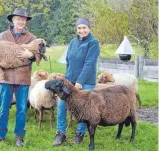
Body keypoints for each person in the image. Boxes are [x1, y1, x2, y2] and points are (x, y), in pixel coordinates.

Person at [0, 8, 37, 147]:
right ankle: (0, 135)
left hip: (23, 78)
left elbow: (38, 54)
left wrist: (31, 56)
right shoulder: (2, 36)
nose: (21, 21)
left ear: (26, 21)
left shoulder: (31, 38)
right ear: (13, 20)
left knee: (22, 109)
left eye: (23, 19)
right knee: (4, 108)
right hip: (6, 76)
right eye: (18, 19)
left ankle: (19, 136)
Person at [53, 17, 100, 146]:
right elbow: (68, 61)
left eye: (84, 27)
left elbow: (89, 63)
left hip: (85, 82)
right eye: (79, 28)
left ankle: (80, 133)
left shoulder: (93, 43)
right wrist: (67, 79)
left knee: (82, 108)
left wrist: (80, 81)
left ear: (89, 28)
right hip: (70, 80)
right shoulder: (73, 42)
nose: (81, 30)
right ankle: (60, 133)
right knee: (62, 105)